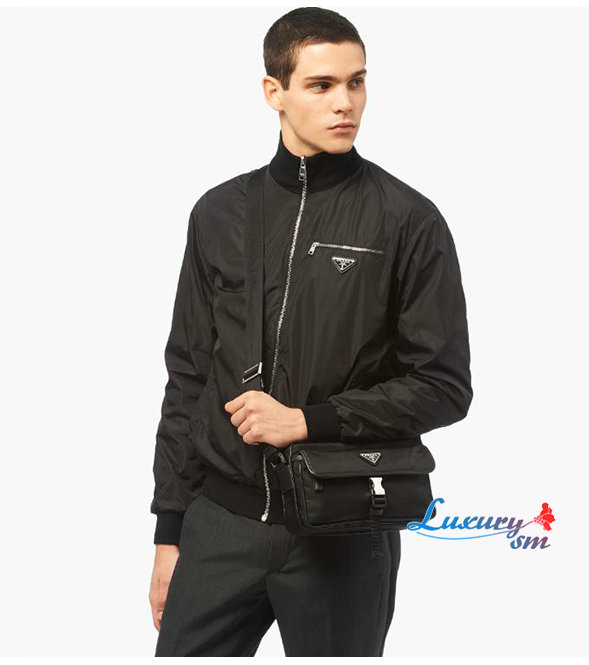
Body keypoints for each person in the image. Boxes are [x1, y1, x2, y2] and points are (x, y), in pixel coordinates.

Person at [148, 6, 473, 657]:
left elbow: (444, 385)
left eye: (357, 82)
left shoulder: (408, 220)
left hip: (343, 529)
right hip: (221, 525)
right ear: (275, 91)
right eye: (321, 85)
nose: (345, 102)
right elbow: (188, 376)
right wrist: (170, 530)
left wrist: (307, 421)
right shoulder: (218, 212)